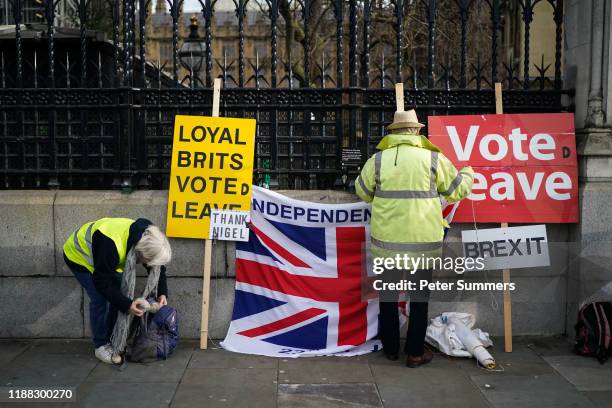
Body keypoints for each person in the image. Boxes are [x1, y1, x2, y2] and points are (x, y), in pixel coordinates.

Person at [355, 110, 473, 367]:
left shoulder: (377, 160)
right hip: (423, 244)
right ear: (417, 131)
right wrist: (467, 172)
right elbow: (457, 191)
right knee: (419, 299)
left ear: (393, 132)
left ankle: (390, 349)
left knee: (387, 297)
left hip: (387, 246)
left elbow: (362, 192)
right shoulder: (433, 158)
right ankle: (415, 352)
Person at [63, 218, 172, 364]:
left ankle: (114, 338)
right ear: (142, 254)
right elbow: (101, 282)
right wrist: (127, 305)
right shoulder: (111, 245)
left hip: (104, 256)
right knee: (99, 298)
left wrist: (162, 293)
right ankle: (101, 345)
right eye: (147, 261)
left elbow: (157, 267)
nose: (148, 265)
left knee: (118, 295)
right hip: (78, 256)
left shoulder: (149, 235)